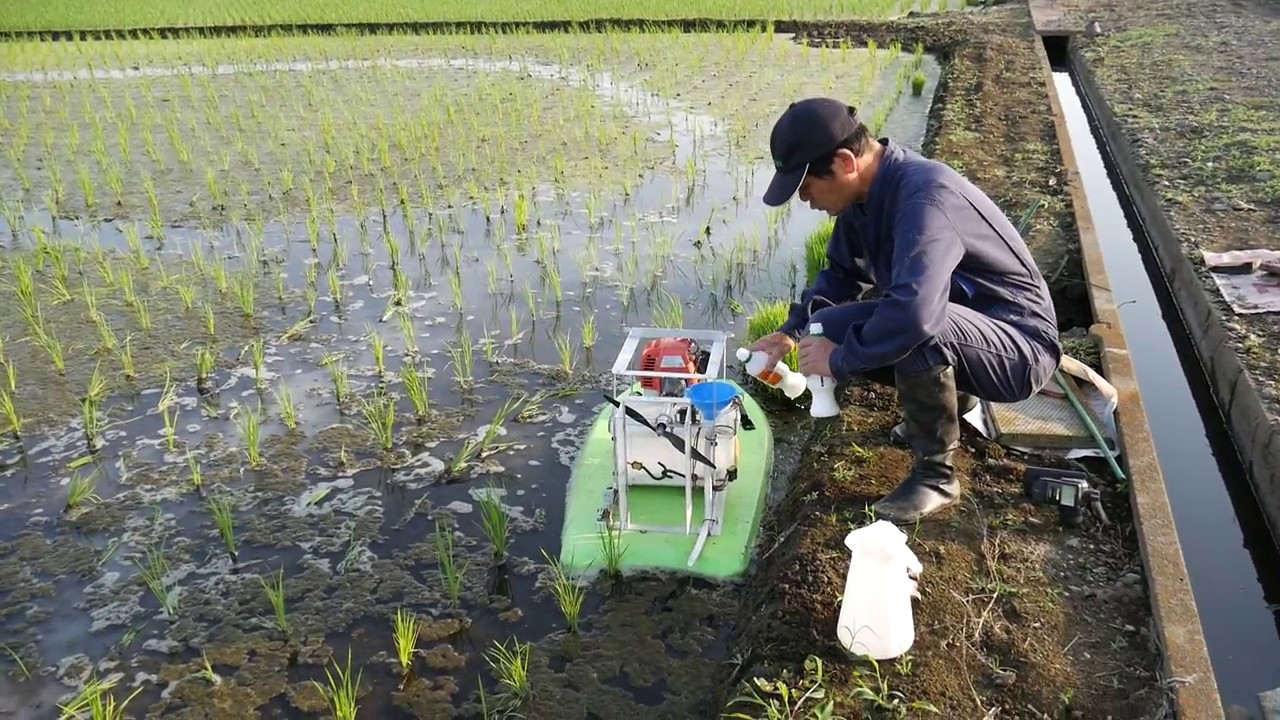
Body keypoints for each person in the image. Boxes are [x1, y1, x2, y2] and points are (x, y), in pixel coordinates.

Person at [750, 97, 1062, 524]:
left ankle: (936, 474)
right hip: (970, 330)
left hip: (1020, 349)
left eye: (806, 186)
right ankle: (948, 402)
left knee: (915, 321)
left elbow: (916, 314)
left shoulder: (925, 197)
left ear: (845, 162)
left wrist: (839, 359)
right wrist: (792, 331)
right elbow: (841, 277)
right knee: (831, 323)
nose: (805, 200)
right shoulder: (863, 201)